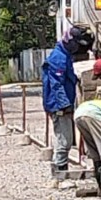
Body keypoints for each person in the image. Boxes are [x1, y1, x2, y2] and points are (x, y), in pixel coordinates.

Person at [41, 26, 94, 176]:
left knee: (66, 138)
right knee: (65, 139)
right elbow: (56, 85)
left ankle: (60, 169)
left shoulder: (64, 55)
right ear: (70, 41)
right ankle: (60, 171)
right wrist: (64, 105)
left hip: (63, 103)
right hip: (58, 105)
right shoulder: (58, 58)